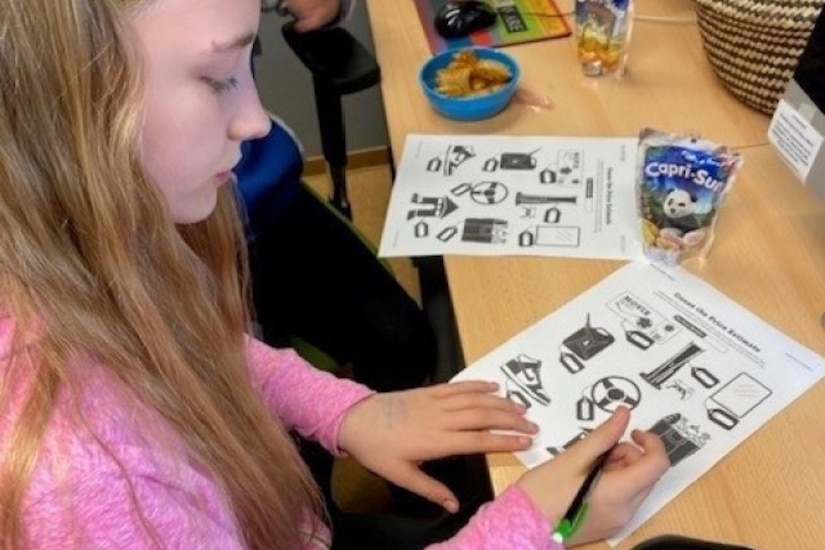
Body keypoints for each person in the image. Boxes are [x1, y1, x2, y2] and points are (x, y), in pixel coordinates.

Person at [0, 1, 670, 549]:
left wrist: (339, 410)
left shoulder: (117, 246)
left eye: (249, 62)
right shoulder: (86, 486)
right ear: (62, 109)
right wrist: (526, 530)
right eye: (214, 78)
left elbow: (197, 349)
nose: (256, 119)